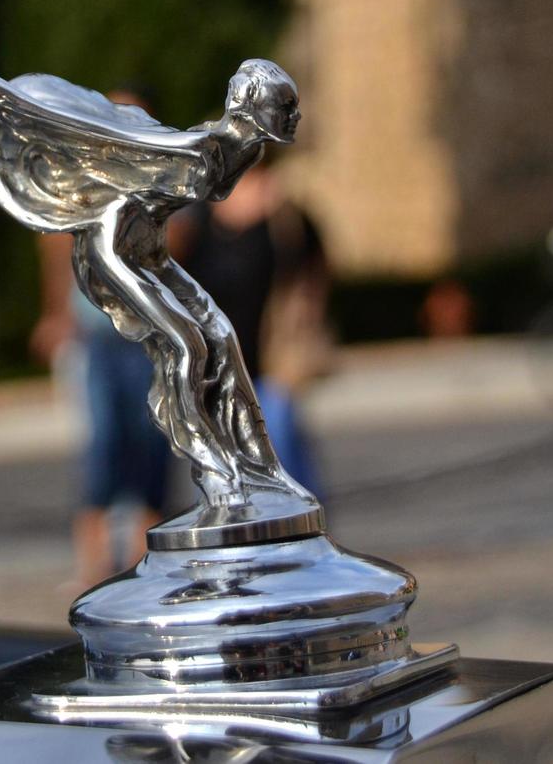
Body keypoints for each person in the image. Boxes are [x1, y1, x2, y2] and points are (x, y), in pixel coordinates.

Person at [29, 88, 173, 590]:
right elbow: (54, 248)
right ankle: (93, 561)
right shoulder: (81, 181)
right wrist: (55, 315)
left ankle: (143, 552)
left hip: (144, 333)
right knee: (104, 444)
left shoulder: (156, 181)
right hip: (98, 336)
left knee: (151, 441)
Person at [171, 160, 329, 498]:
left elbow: (314, 266)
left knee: (282, 452)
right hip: (217, 371)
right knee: (221, 470)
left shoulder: (280, 217)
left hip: (273, 361)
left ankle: (304, 529)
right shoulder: (199, 220)